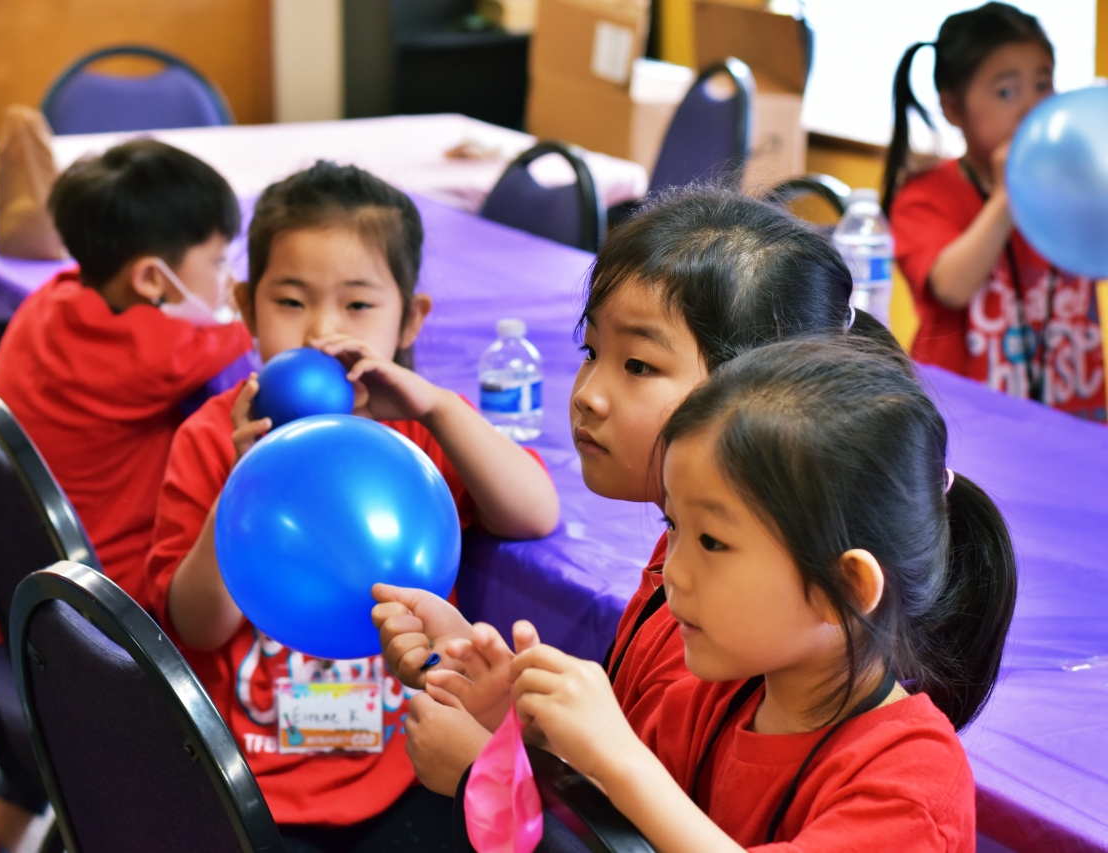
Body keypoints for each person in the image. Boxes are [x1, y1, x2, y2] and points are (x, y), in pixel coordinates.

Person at [372, 187, 901, 795]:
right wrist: (497, 701)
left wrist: (486, 774)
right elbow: (628, 772)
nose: (587, 395)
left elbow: (651, 817)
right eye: (591, 351)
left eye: (639, 366)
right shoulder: (685, 558)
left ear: (757, 394)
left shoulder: (738, 627)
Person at [145, 161, 559, 852]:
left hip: (404, 772)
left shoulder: (415, 437)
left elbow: (534, 511)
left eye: (358, 305)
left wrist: (437, 406)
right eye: (291, 301)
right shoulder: (214, 437)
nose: (322, 332)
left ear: (410, 319)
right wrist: (245, 482)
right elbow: (196, 626)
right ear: (246, 306)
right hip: (250, 783)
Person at [501, 337, 1016, 851]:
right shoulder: (706, 701)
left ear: (846, 588)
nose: (673, 572)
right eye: (672, 524)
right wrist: (536, 740)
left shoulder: (913, 783)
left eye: (712, 542)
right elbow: (618, 831)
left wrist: (620, 759)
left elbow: (636, 786)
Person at [0, 139, 253, 853]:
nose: (229, 281)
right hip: (89, 604)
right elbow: (250, 329)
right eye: (219, 263)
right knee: (227, 603)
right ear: (154, 279)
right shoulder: (152, 352)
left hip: (4, 560)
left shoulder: (56, 297)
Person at [883, 2, 1104, 421]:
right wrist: (1007, 197)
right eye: (1006, 92)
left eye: (1043, 84)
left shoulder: (1071, 185)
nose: (1031, 107)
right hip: (968, 423)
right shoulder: (926, 196)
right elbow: (952, 287)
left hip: (1072, 414)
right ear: (953, 109)